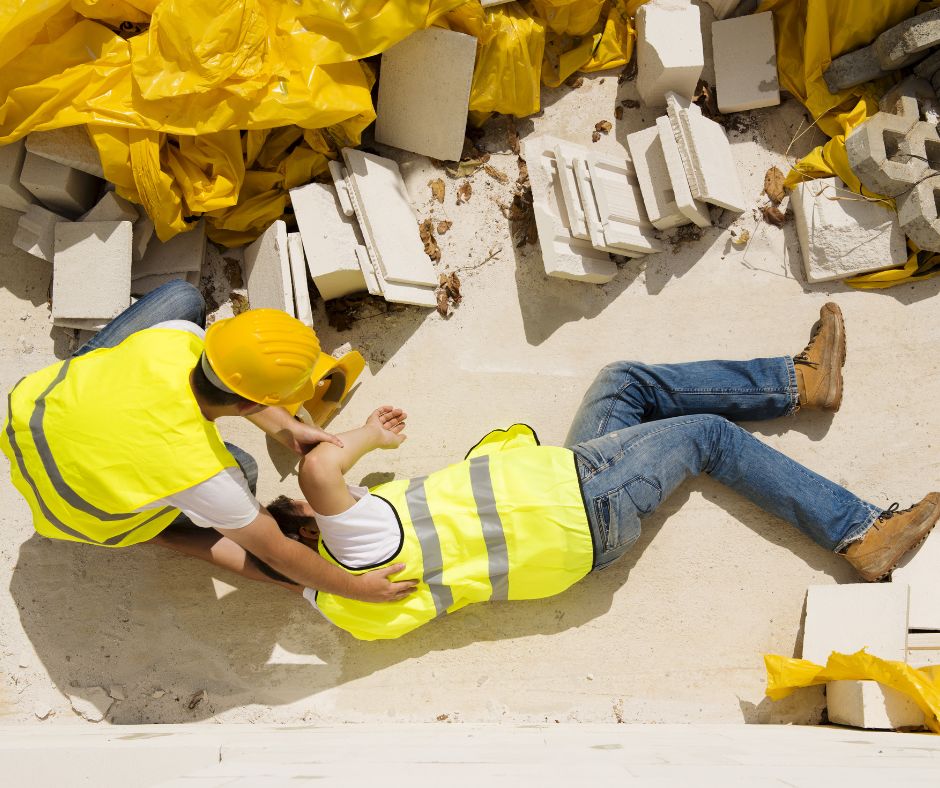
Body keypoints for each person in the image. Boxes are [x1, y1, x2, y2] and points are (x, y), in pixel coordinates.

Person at [263, 303, 939, 640]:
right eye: (306, 510)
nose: (335, 498)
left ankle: (800, 382)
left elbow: (251, 550)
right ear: (313, 533)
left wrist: (255, 541)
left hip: (570, 512)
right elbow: (323, 470)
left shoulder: (340, 606)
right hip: (580, 502)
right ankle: (860, 533)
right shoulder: (360, 546)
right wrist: (365, 438)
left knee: (624, 384)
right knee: (706, 436)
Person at [1, 280, 416, 603]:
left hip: (31, 418)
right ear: (253, 401)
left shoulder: (175, 338)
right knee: (247, 473)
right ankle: (152, 529)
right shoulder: (207, 474)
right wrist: (357, 588)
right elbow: (275, 554)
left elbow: (231, 384)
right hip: (77, 513)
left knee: (182, 297)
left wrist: (286, 427)